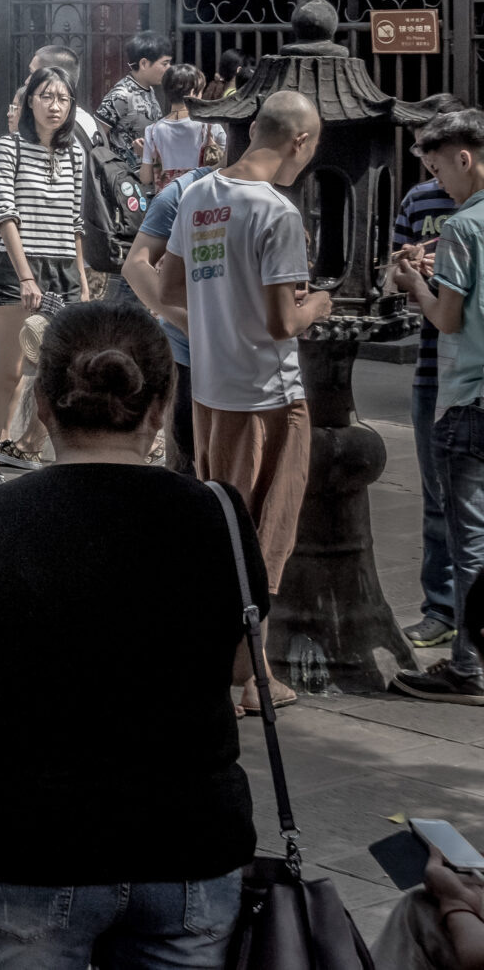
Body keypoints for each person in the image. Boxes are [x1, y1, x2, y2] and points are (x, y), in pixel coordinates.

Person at [0, 298, 263, 970]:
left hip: (30, 849)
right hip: (192, 849)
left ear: (42, 403)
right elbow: (242, 665)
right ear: (160, 405)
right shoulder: (220, 514)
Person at [161, 88, 327, 710]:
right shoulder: (277, 214)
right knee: (264, 536)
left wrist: (217, 318)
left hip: (210, 390)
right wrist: (319, 304)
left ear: (255, 127)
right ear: (299, 141)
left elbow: (169, 288)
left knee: (222, 530)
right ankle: (248, 675)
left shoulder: (198, 194)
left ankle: (232, 666)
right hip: (268, 397)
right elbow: (284, 322)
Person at [389, 110, 484, 705]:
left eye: (439, 169)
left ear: (464, 158)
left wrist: (416, 285)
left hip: (468, 396)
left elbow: (447, 318)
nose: (437, 183)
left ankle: (468, 666)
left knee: (468, 539)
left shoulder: (464, 227)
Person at [0, 67, 88, 487]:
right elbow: (5, 212)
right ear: (29, 102)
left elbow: (76, 222)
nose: (55, 106)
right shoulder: (10, 146)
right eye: (46, 96)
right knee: (10, 371)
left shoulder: (76, 153)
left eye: (63, 98)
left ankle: (64, 464)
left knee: (64, 372)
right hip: (18, 267)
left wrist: (83, 282)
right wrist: (25, 277)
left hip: (64, 269)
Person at [396, 152, 467, 650]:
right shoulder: (418, 201)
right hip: (432, 368)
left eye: (436, 160)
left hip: (469, 370)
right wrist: (410, 271)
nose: (430, 170)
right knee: (438, 498)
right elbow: (395, 280)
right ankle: (442, 608)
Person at [121, 164, 213, 472]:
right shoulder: (183, 192)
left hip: (256, 366)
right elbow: (136, 266)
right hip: (188, 360)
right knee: (187, 464)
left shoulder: (284, 188)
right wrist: (190, 324)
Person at [141, 63, 227, 191]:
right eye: (200, 91)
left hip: (167, 200)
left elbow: (146, 178)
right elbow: (228, 163)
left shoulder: (152, 131)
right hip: (200, 199)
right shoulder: (210, 126)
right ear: (192, 92)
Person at [96, 32, 174, 160]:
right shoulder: (121, 95)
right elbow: (96, 135)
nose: (169, 68)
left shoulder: (149, 90)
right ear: (144, 64)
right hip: (126, 171)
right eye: (164, 64)